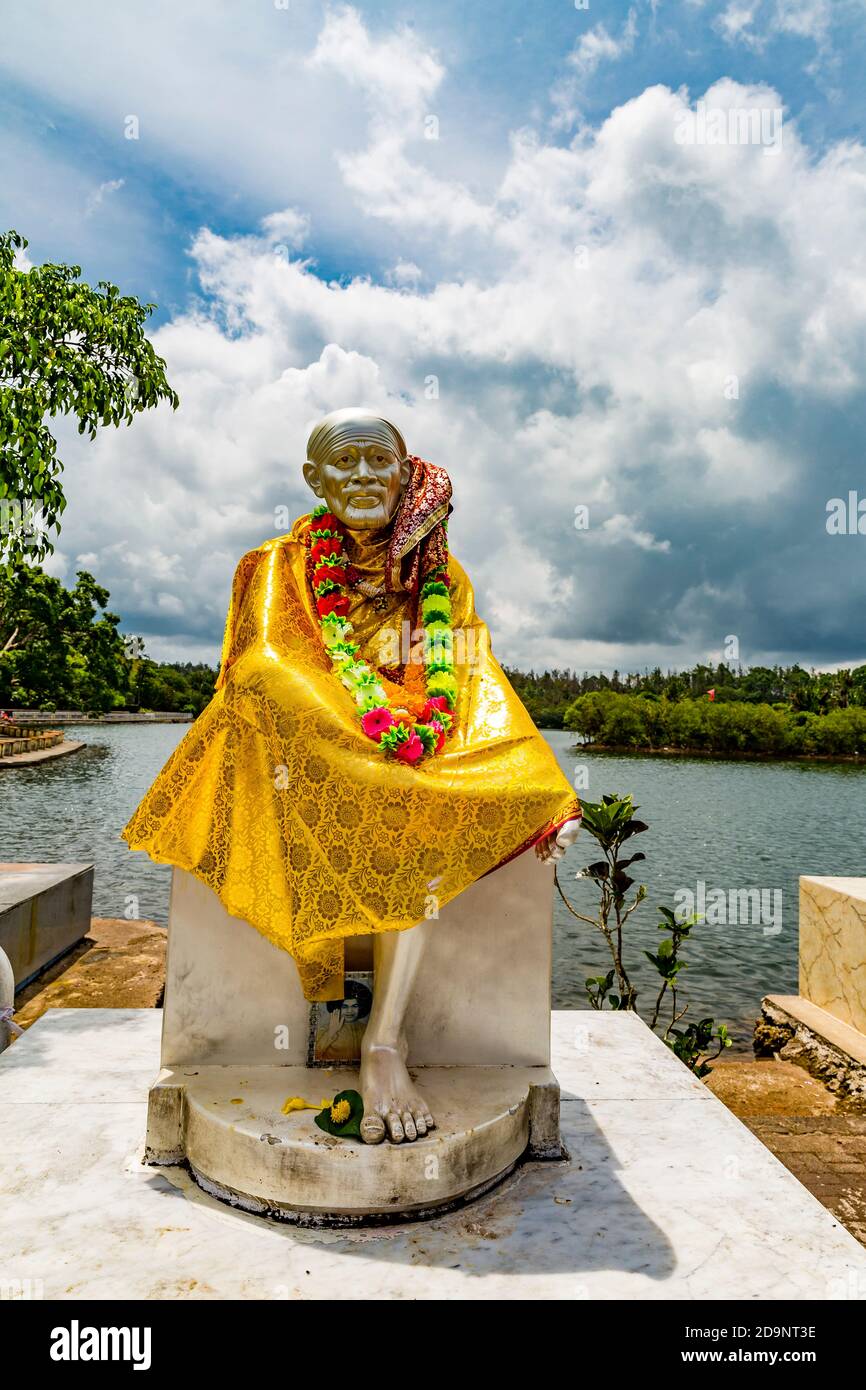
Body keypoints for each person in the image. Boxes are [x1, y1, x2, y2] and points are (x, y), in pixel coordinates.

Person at [123, 408, 581, 1143]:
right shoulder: (277, 564)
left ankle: (385, 1043)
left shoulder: (439, 575)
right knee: (269, 687)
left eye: (380, 462)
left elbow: (469, 673)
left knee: (428, 799)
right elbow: (263, 665)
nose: (364, 476)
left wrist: (544, 785)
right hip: (309, 747)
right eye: (346, 463)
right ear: (314, 478)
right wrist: (349, 728)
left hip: (407, 757)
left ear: (404, 476)